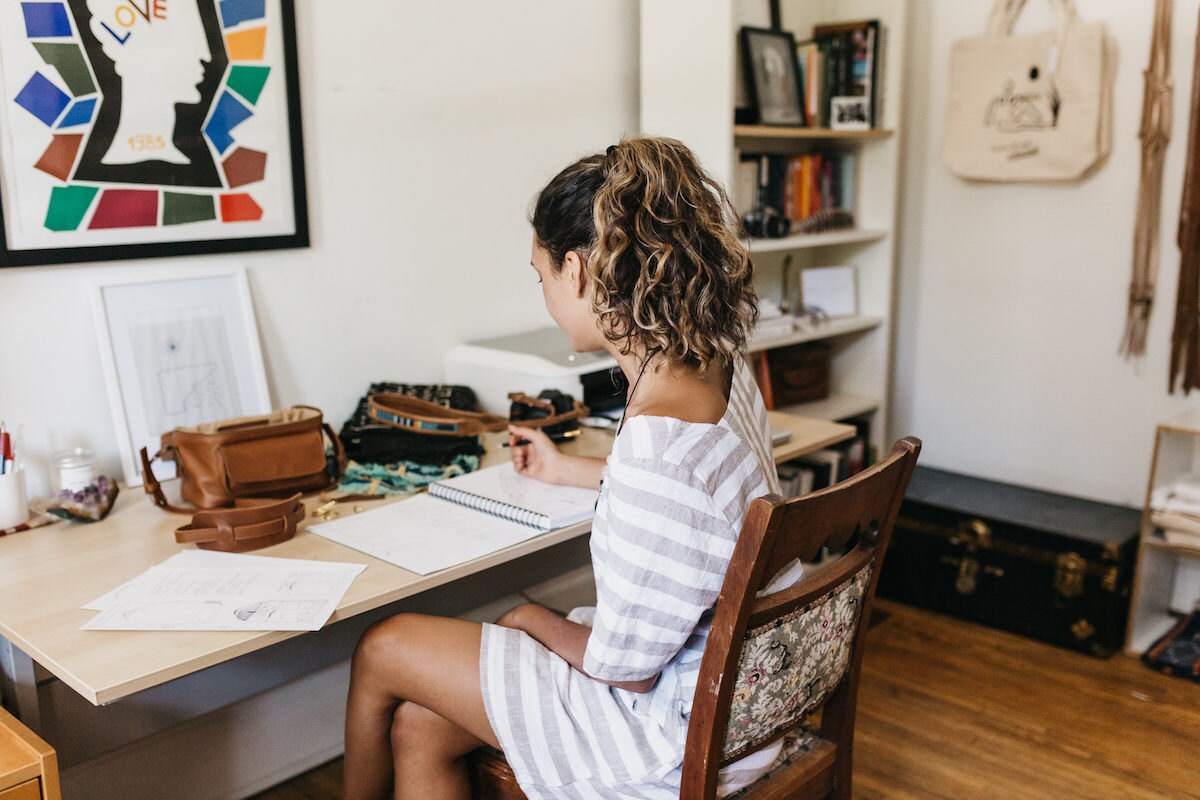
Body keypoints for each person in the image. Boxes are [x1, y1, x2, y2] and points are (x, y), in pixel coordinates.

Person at [343, 135, 798, 799]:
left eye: (541, 275)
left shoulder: (655, 452)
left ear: (578, 271)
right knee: (420, 724)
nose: (544, 294)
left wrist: (533, 620)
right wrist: (568, 470)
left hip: (673, 733)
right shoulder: (720, 360)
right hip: (744, 703)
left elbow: (627, 669)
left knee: (384, 645)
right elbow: (696, 498)